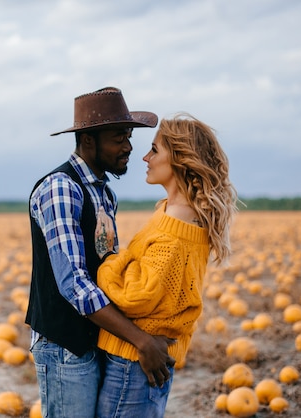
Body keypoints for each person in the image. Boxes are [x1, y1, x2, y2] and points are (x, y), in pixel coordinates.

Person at [25, 87, 177, 418]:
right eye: (118, 138)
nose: (129, 147)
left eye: (129, 136)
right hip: (65, 344)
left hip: (96, 335)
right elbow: (74, 284)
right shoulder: (61, 188)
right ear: (89, 141)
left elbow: (108, 268)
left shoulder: (103, 193)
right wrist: (140, 340)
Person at [93, 113, 239, 417]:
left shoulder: (174, 229)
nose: (145, 157)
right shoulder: (172, 211)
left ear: (181, 160)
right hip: (141, 358)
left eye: (155, 150)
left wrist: (107, 256)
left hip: (134, 362)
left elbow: (135, 295)